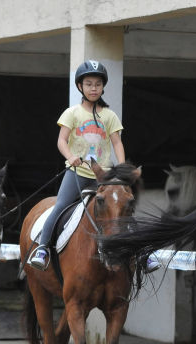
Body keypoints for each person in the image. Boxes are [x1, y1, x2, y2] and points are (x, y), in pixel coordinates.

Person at [28, 60, 127, 270]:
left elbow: (117, 143)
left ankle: (141, 254)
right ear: (80, 86)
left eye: (98, 84)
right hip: (77, 173)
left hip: (104, 176)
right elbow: (61, 141)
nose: (94, 88)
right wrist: (70, 156)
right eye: (89, 84)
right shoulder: (72, 113)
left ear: (103, 87)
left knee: (123, 208)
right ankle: (43, 249)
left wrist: (121, 168)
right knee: (60, 206)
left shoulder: (110, 115)